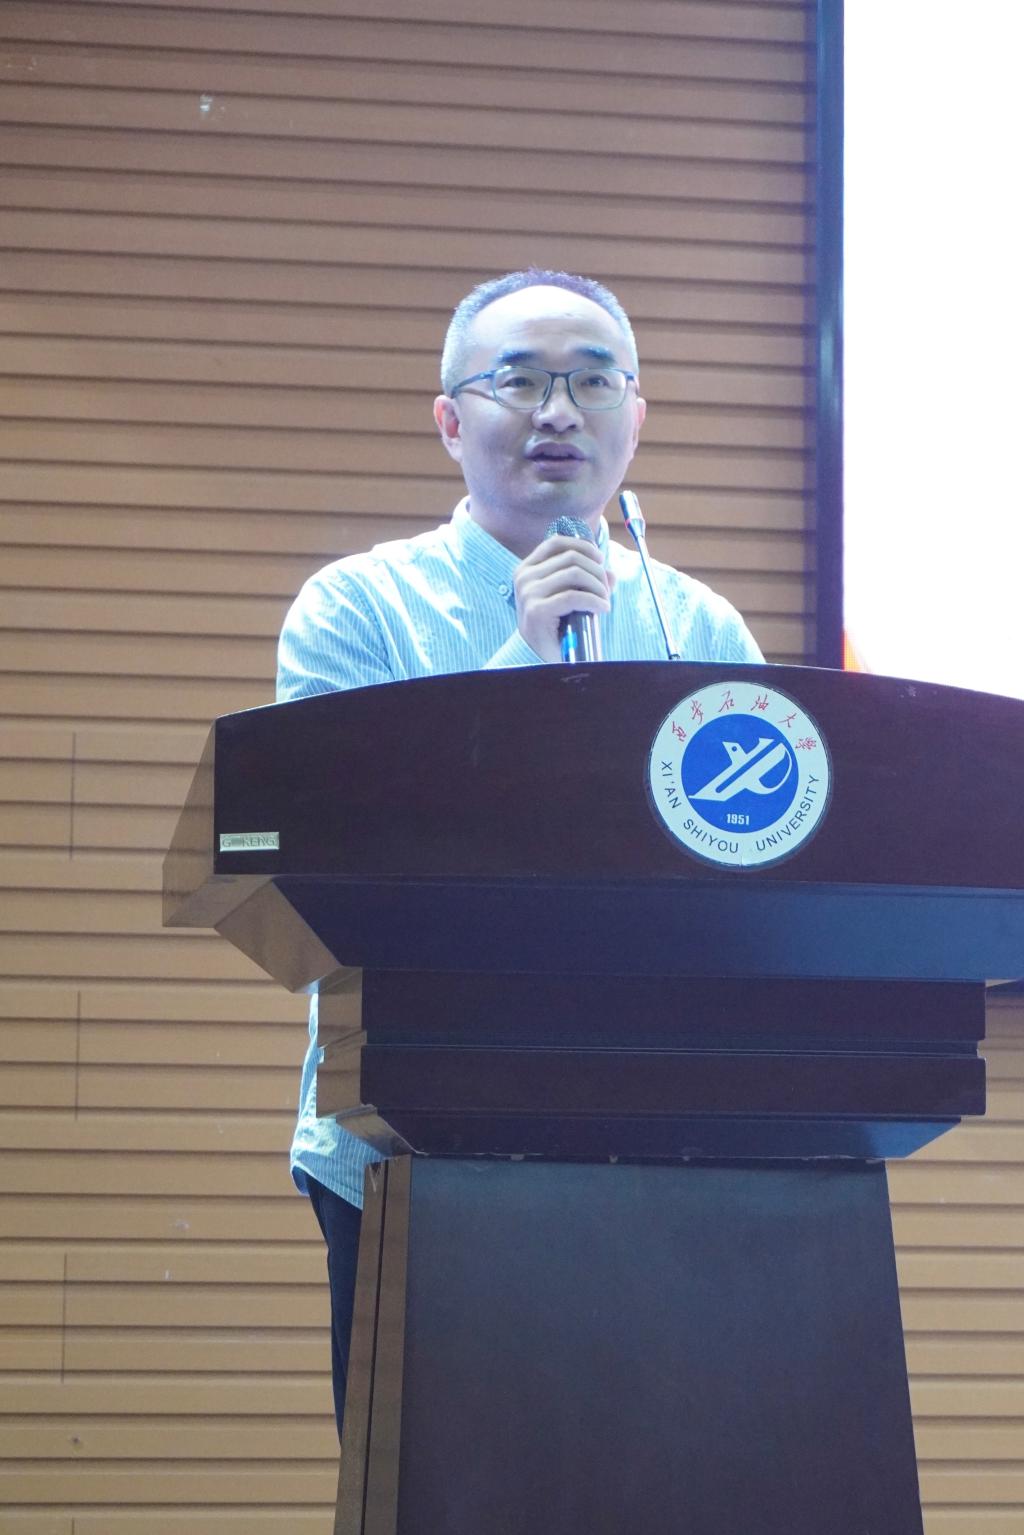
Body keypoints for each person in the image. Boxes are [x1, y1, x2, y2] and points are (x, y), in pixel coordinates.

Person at [276, 268, 763, 1439]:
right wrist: (519, 665)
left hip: (670, 1145)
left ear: (635, 418)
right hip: (412, 1140)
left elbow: (759, 876)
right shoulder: (356, 608)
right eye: (522, 382)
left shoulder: (699, 626)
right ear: (451, 420)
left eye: (593, 383)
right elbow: (329, 852)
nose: (559, 413)